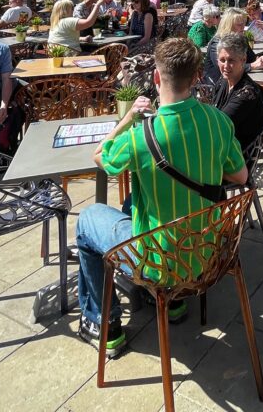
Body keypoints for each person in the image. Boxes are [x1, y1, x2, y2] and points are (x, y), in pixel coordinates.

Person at [75, 37, 248, 356]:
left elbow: (100, 155)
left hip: (160, 262)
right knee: (133, 203)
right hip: (208, 252)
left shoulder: (141, 135)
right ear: (196, 77)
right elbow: (240, 177)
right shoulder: (219, 121)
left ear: (156, 77)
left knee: (88, 220)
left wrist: (128, 119)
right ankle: (172, 302)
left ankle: (105, 323)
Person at [212, 33, 263, 152]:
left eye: (231, 60)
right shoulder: (224, 80)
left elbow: (219, 124)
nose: (226, 66)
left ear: (243, 60)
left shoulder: (247, 93)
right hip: (221, 142)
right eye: (222, 60)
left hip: (236, 153)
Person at [203, 8, 263, 83]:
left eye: (244, 23)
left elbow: (252, 58)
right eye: (239, 24)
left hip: (238, 80)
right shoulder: (217, 43)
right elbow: (224, 68)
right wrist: (252, 66)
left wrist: (261, 60)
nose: (243, 27)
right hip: (218, 84)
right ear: (229, 25)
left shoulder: (242, 38)